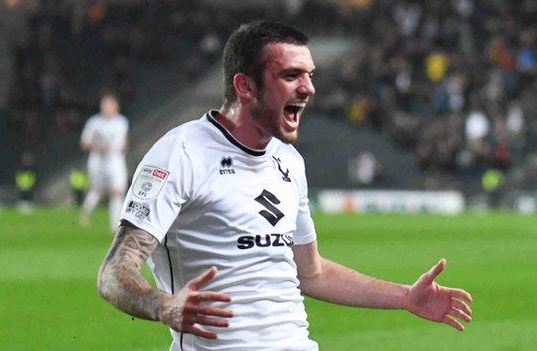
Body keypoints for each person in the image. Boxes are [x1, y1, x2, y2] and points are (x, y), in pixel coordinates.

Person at [97, 21, 473, 351]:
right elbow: (114, 273)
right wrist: (164, 306)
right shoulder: (180, 154)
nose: (308, 88)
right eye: (291, 75)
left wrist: (406, 297)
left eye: (310, 75)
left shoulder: (288, 161)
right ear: (245, 86)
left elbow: (311, 272)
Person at [79, 93, 129, 231]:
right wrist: (98, 147)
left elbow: (124, 140)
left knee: (117, 191)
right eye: (104, 105)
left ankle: (115, 225)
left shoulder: (122, 121)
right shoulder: (94, 122)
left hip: (115, 160)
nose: (106, 108)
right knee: (98, 191)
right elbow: (84, 143)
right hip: (97, 160)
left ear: (116, 106)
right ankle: (85, 212)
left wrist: (123, 146)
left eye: (109, 105)